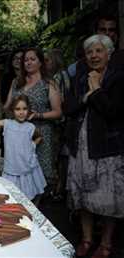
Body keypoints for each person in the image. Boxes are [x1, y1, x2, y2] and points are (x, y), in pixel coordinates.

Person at [64, 34, 124, 258]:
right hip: (80, 148)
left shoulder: (118, 79)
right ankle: (87, 240)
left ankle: (106, 244)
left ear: (109, 54)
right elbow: (68, 107)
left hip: (107, 148)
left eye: (99, 51)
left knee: (109, 199)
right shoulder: (80, 78)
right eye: (90, 52)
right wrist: (86, 97)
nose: (94, 55)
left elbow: (113, 111)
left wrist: (97, 90)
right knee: (83, 198)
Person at [4, 47, 61, 187]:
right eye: (26, 60)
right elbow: (7, 107)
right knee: (20, 171)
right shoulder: (17, 82)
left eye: (32, 59)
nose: (28, 63)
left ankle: (37, 206)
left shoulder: (49, 83)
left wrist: (39, 115)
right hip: (19, 135)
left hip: (40, 133)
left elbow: (58, 112)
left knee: (41, 174)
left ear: (40, 62)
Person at [0, 94, 46, 202]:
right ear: (12, 110)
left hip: (27, 167)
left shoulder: (30, 127)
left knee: (29, 198)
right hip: (12, 168)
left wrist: (33, 145)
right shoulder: (7, 124)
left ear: (28, 110)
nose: (21, 112)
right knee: (11, 199)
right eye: (18, 109)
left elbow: (39, 137)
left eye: (24, 109)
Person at [44, 48, 71, 201]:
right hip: (62, 122)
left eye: (47, 60)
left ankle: (57, 188)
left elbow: (59, 102)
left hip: (58, 123)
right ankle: (59, 187)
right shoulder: (64, 75)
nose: (45, 64)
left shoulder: (57, 77)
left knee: (56, 157)